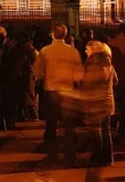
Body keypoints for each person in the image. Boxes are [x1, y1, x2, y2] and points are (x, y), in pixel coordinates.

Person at [33, 23, 83, 164]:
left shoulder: (45, 51)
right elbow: (79, 74)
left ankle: (52, 154)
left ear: (53, 34)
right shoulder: (72, 51)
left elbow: (38, 72)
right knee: (69, 125)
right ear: (65, 35)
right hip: (68, 91)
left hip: (51, 91)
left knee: (51, 125)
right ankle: (70, 154)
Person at [81, 41, 117, 166]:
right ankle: (108, 157)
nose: (86, 52)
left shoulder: (93, 66)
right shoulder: (109, 65)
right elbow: (116, 81)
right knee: (106, 130)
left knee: (95, 131)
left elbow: (87, 84)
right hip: (107, 101)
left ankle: (98, 157)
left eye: (88, 49)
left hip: (95, 103)